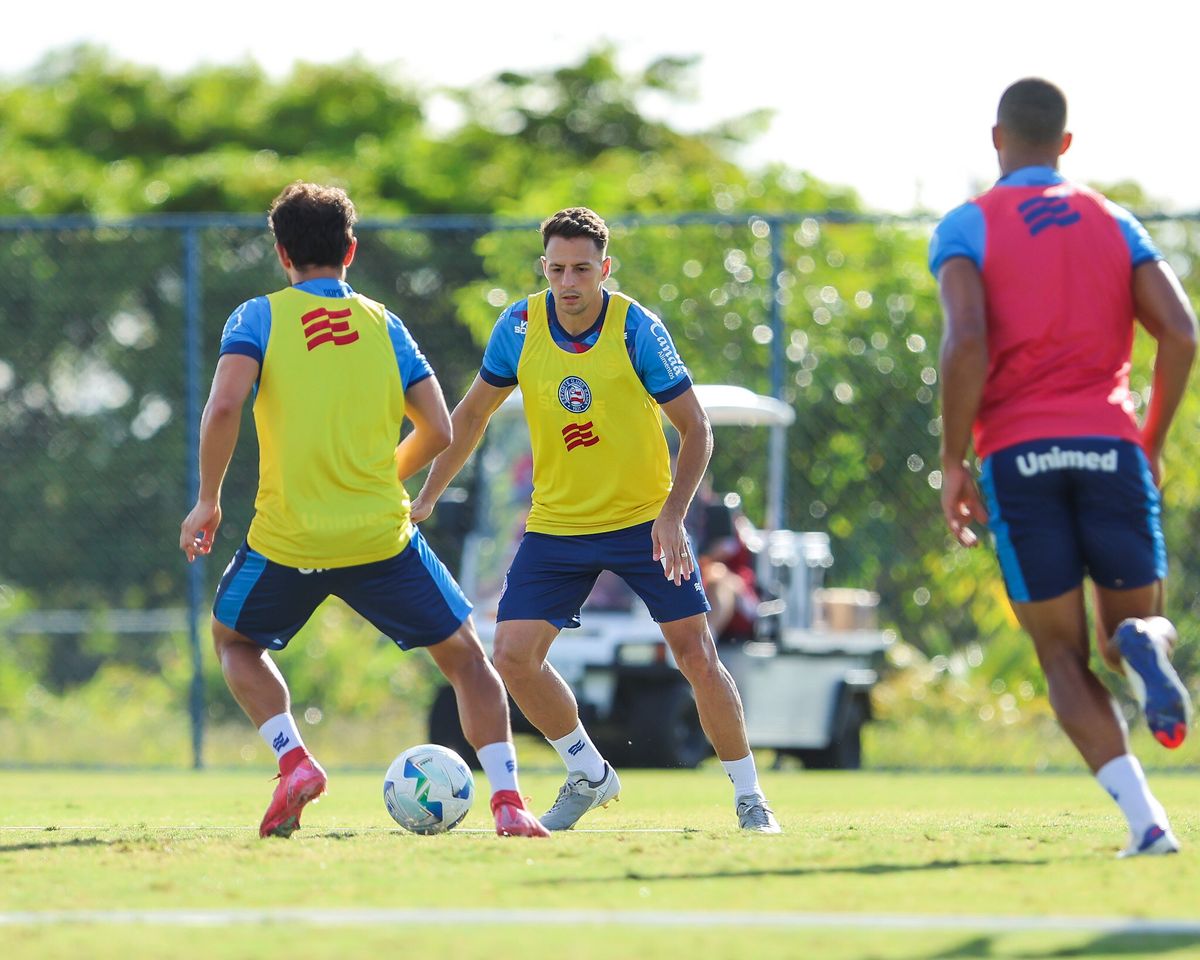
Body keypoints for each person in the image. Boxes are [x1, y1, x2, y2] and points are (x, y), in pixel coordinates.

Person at [178, 182, 547, 839]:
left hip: (289, 539)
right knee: (467, 663)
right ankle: (510, 804)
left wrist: (207, 499)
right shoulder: (386, 324)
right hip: (382, 536)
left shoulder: (256, 317)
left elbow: (227, 405)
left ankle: (294, 760)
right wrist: (382, 476)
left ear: (281, 251)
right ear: (352, 248)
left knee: (234, 642)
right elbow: (438, 427)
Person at [411, 207, 779, 832]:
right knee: (513, 656)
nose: (569, 282)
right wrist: (424, 496)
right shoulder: (520, 325)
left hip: (644, 522)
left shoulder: (636, 327)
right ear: (544, 269)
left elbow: (696, 428)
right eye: (557, 269)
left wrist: (672, 515)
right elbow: (469, 418)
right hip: (557, 525)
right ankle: (587, 771)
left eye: (582, 269)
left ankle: (750, 798)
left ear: (605, 269)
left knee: (693, 653)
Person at [932, 79, 1196, 857]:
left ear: (997, 138)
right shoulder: (1115, 220)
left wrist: (953, 460)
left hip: (1020, 455)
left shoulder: (968, 225)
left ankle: (1147, 821)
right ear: (1067, 145)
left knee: (1061, 654)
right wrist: (1149, 438)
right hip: (1112, 446)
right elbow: (1180, 333)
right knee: (1124, 635)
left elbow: (966, 341)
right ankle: (1150, 639)